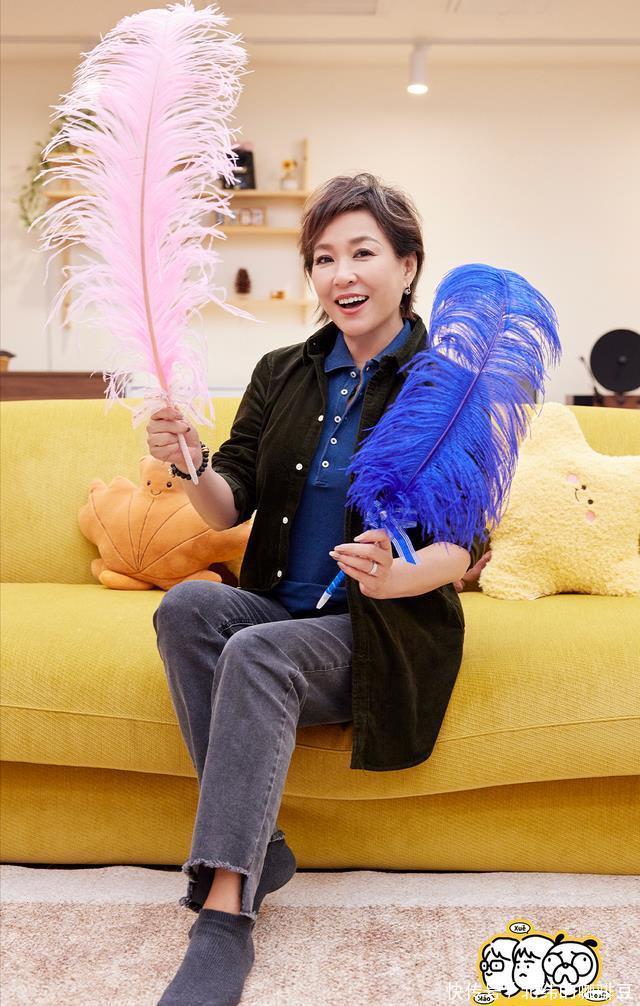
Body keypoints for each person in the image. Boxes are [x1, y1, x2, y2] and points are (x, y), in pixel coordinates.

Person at [148, 172, 491, 1006]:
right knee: (188, 607)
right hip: (277, 603)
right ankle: (262, 846)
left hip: (377, 628)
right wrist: (189, 463)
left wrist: (400, 575)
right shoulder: (282, 371)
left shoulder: (446, 384)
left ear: (407, 265)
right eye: (325, 257)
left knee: (259, 655)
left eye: (363, 253)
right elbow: (229, 502)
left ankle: (224, 911)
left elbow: (466, 545)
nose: (342, 274)